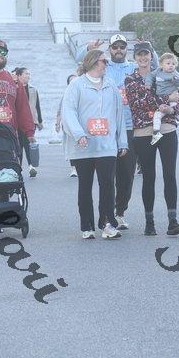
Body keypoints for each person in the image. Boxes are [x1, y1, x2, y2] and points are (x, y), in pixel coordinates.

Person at [76, 35, 158, 231]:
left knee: (127, 175)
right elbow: (80, 62)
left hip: (130, 127)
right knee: (107, 176)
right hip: (106, 128)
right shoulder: (104, 65)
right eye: (115, 47)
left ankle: (120, 211)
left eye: (122, 46)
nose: (119, 50)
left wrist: (150, 48)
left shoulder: (133, 67)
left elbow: (154, 65)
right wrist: (88, 47)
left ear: (126, 49)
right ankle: (107, 215)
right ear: (110, 49)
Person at [61, 49, 128, 240]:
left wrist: (122, 141)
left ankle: (107, 224)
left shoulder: (111, 84)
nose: (107, 64)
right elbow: (68, 112)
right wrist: (78, 134)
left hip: (106, 145)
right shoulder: (76, 85)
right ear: (93, 62)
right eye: (103, 61)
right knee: (85, 186)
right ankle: (87, 226)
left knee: (107, 184)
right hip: (83, 145)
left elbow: (119, 114)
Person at [125, 42, 179, 236]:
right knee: (149, 177)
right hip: (143, 132)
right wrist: (167, 100)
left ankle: (172, 221)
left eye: (146, 54)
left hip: (167, 129)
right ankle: (149, 223)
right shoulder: (131, 79)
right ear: (135, 57)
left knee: (170, 175)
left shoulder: (165, 71)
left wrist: (173, 109)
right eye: (139, 55)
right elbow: (138, 103)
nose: (143, 58)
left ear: (152, 56)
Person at [145, 52, 179, 146]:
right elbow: (150, 75)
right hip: (163, 99)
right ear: (161, 64)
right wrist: (148, 83)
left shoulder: (174, 74)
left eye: (173, 64)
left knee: (159, 115)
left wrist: (176, 80)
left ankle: (156, 133)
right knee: (168, 114)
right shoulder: (158, 71)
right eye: (168, 63)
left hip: (172, 98)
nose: (171, 65)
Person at [15, 67, 43, 177]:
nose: (28, 76)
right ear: (19, 75)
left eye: (29, 74)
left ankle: (32, 166)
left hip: (30, 121)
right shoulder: (14, 88)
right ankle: (18, 168)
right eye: (26, 73)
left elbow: (37, 105)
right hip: (17, 121)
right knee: (19, 145)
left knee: (28, 144)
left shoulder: (33, 89)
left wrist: (39, 121)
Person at [56, 73, 78, 177]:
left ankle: (81, 167)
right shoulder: (66, 95)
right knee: (71, 146)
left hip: (81, 125)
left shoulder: (84, 93)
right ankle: (73, 168)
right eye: (71, 81)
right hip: (69, 125)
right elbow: (60, 110)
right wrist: (57, 123)